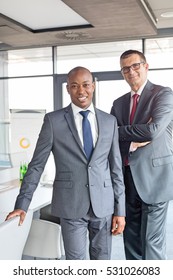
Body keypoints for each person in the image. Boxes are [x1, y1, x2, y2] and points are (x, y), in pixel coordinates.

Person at [6, 66, 125, 260]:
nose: (81, 91)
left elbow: (116, 168)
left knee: (102, 259)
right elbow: (37, 165)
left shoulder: (109, 121)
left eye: (86, 85)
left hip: (103, 205)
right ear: (68, 89)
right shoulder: (53, 121)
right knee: (75, 263)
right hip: (71, 204)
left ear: (93, 86)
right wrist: (22, 204)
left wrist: (120, 211)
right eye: (74, 86)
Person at [110, 49, 173, 260]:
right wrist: (132, 137)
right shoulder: (118, 104)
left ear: (146, 66)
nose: (131, 71)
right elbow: (110, 139)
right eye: (125, 68)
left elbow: (153, 130)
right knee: (131, 240)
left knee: (151, 242)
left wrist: (120, 131)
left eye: (135, 65)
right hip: (127, 181)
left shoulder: (163, 94)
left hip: (155, 180)